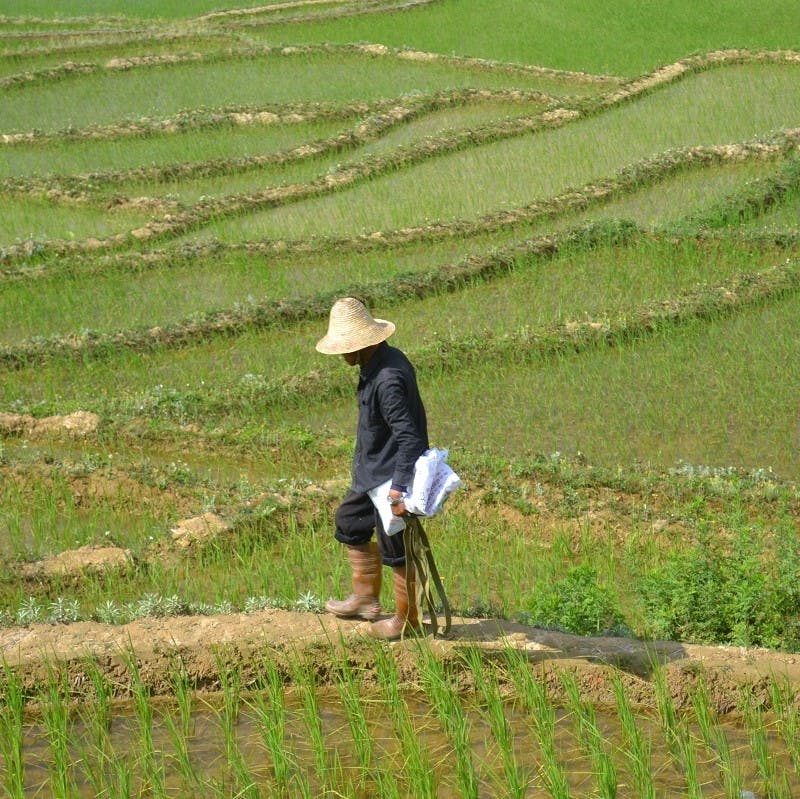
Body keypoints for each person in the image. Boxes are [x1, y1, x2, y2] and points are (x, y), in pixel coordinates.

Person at [315, 297, 429, 639]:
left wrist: (399, 488)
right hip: (372, 468)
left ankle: (406, 620)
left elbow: (409, 438)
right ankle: (365, 598)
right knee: (350, 521)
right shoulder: (374, 365)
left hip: (389, 477)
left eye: (345, 348)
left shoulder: (388, 378)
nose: (342, 355)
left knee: (396, 548)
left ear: (364, 343)